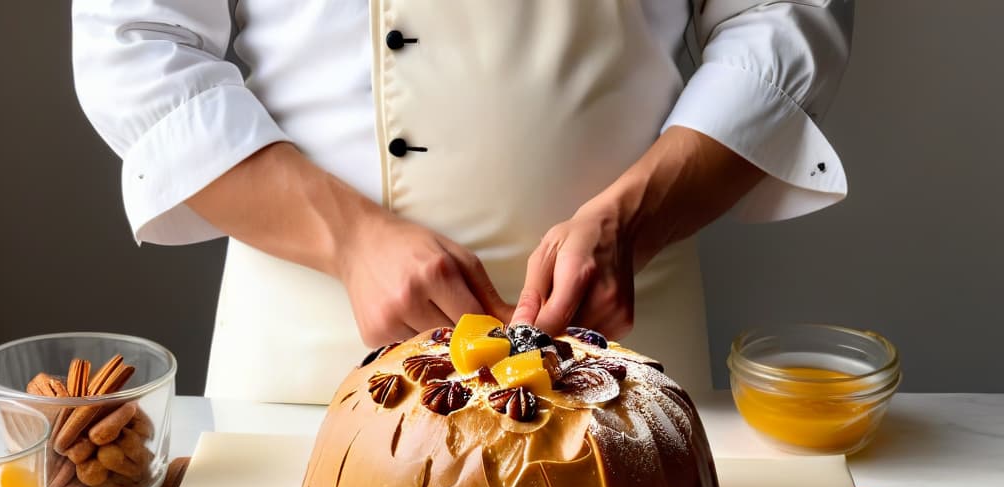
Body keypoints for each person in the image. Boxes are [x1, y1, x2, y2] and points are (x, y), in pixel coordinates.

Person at [72, 1, 853, 403]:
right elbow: (134, 38)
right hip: (310, 344)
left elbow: (780, 16)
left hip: (622, 331)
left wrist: (633, 219)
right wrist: (347, 239)